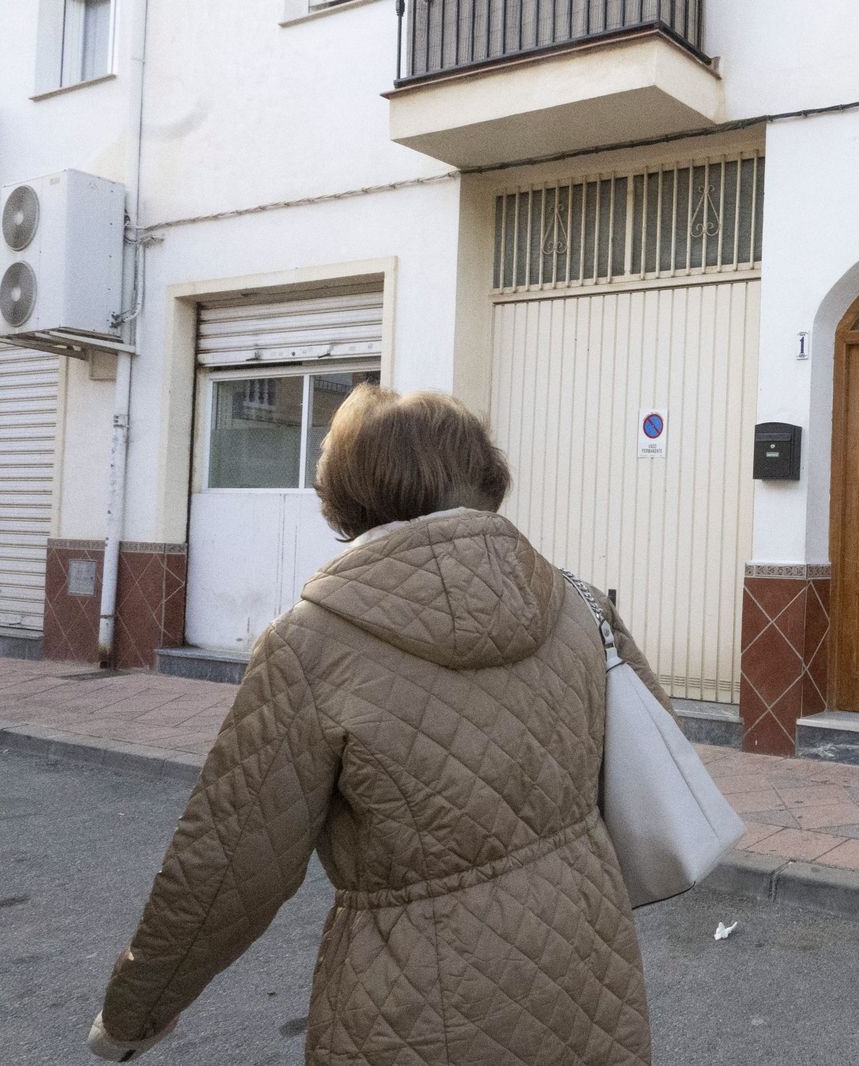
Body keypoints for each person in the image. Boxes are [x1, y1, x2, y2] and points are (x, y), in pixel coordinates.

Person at [88, 385, 670, 1065]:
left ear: (345, 491)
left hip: (418, 1001)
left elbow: (227, 865)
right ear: (483, 473)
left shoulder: (311, 644)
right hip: (589, 964)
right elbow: (647, 742)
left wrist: (135, 1011)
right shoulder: (578, 603)